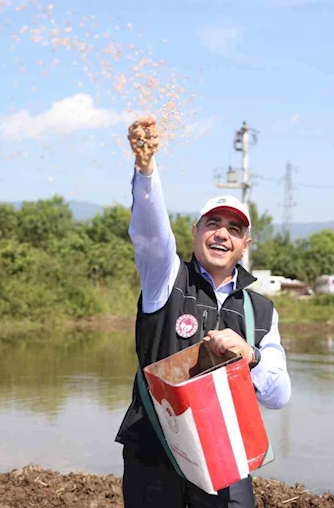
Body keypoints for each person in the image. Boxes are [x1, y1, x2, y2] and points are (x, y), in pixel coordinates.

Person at [115, 115, 292, 508]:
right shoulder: (166, 280)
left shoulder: (260, 309)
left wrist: (250, 355)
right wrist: (146, 169)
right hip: (154, 456)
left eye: (233, 229)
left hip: (226, 460)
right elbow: (150, 235)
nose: (221, 234)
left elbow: (279, 395)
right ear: (195, 232)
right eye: (213, 224)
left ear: (245, 243)